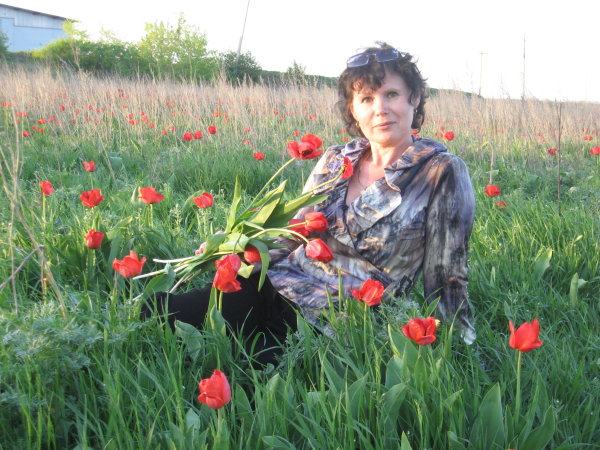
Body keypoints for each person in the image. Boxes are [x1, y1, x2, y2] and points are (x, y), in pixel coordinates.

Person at [141, 43, 476, 364]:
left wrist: (463, 351)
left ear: (413, 99)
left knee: (251, 372)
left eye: (392, 94)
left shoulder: (439, 171)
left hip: (335, 319)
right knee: (158, 313)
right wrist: (237, 251)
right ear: (353, 110)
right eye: (367, 98)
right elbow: (294, 234)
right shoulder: (336, 160)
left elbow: (447, 274)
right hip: (276, 284)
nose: (380, 109)